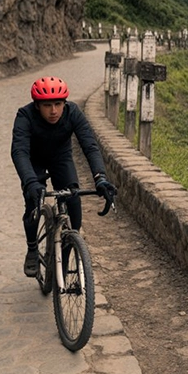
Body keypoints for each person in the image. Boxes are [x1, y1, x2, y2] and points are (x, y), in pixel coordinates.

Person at [10, 76, 116, 277]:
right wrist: (31, 181)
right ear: (37, 105)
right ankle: (32, 248)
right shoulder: (25, 116)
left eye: (58, 104)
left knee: (73, 202)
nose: (53, 111)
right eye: (47, 105)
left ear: (64, 103)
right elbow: (19, 152)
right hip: (34, 159)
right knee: (32, 203)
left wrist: (100, 177)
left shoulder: (72, 112)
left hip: (60, 157)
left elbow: (89, 145)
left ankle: (65, 257)